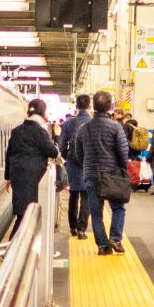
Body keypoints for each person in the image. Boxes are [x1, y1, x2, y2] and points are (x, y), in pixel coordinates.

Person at [75, 89, 132, 255]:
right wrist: (122, 170)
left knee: (96, 213)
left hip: (91, 176)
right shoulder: (116, 127)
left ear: (94, 106)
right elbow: (123, 152)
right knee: (118, 208)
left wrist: (87, 166)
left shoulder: (83, 129)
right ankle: (115, 239)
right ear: (109, 106)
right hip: (112, 175)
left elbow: (78, 154)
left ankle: (102, 246)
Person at [4, 99, 61, 238]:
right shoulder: (39, 132)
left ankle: (14, 249)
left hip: (17, 176)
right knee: (26, 215)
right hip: (33, 178)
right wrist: (57, 136)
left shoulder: (17, 131)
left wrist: (8, 177)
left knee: (22, 213)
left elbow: (9, 153)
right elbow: (53, 152)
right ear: (43, 113)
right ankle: (11, 250)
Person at [60, 94, 92, 239]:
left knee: (73, 195)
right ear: (89, 105)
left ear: (76, 106)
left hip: (72, 165)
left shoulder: (68, 124)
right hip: (89, 165)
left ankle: (72, 227)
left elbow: (61, 146)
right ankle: (82, 229)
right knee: (87, 196)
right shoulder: (92, 123)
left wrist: (68, 159)